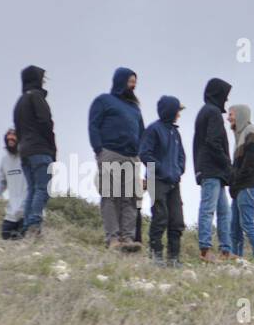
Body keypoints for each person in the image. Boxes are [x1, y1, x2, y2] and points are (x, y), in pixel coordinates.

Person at [89, 67, 146, 252]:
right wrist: (99, 150)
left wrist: (139, 155)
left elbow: (142, 133)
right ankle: (113, 239)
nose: (133, 85)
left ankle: (127, 238)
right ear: (120, 81)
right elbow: (93, 125)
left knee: (129, 199)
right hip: (110, 153)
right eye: (130, 81)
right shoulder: (104, 101)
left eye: (135, 83)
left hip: (131, 157)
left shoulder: (134, 108)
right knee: (110, 196)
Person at [139, 96, 187, 266]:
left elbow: (181, 156)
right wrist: (161, 169)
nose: (179, 115)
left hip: (174, 182)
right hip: (156, 179)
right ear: (170, 111)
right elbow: (145, 154)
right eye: (177, 111)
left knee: (177, 220)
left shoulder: (175, 132)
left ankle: (174, 258)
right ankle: (156, 254)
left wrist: (179, 170)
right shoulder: (153, 129)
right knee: (160, 216)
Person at [12, 65, 56, 239]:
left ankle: (27, 225)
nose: (44, 81)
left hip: (25, 151)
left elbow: (18, 128)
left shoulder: (20, 101)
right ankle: (34, 226)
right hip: (40, 149)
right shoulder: (37, 97)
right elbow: (46, 123)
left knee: (32, 189)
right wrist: (52, 148)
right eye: (42, 78)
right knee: (42, 188)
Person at [192, 77, 233, 262]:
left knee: (224, 212)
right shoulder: (213, 112)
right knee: (209, 209)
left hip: (214, 171)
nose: (227, 100)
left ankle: (226, 251)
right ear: (219, 94)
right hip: (212, 170)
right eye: (225, 95)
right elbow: (213, 142)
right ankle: (205, 250)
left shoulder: (205, 111)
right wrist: (227, 164)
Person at [227, 104, 254, 261]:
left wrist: (237, 179)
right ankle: (237, 257)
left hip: (249, 185)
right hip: (240, 187)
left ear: (241, 115)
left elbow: (251, 159)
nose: (228, 117)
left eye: (231, 114)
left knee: (246, 223)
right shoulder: (239, 136)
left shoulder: (251, 130)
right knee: (234, 225)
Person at [0, 129, 26, 240]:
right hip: (12, 211)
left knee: (25, 243)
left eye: (14, 138)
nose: (11, 141)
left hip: (27, 211)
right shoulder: (5, 160)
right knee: (6, 237)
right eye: (8, 140)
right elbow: (1, 180)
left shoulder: (27, 158)